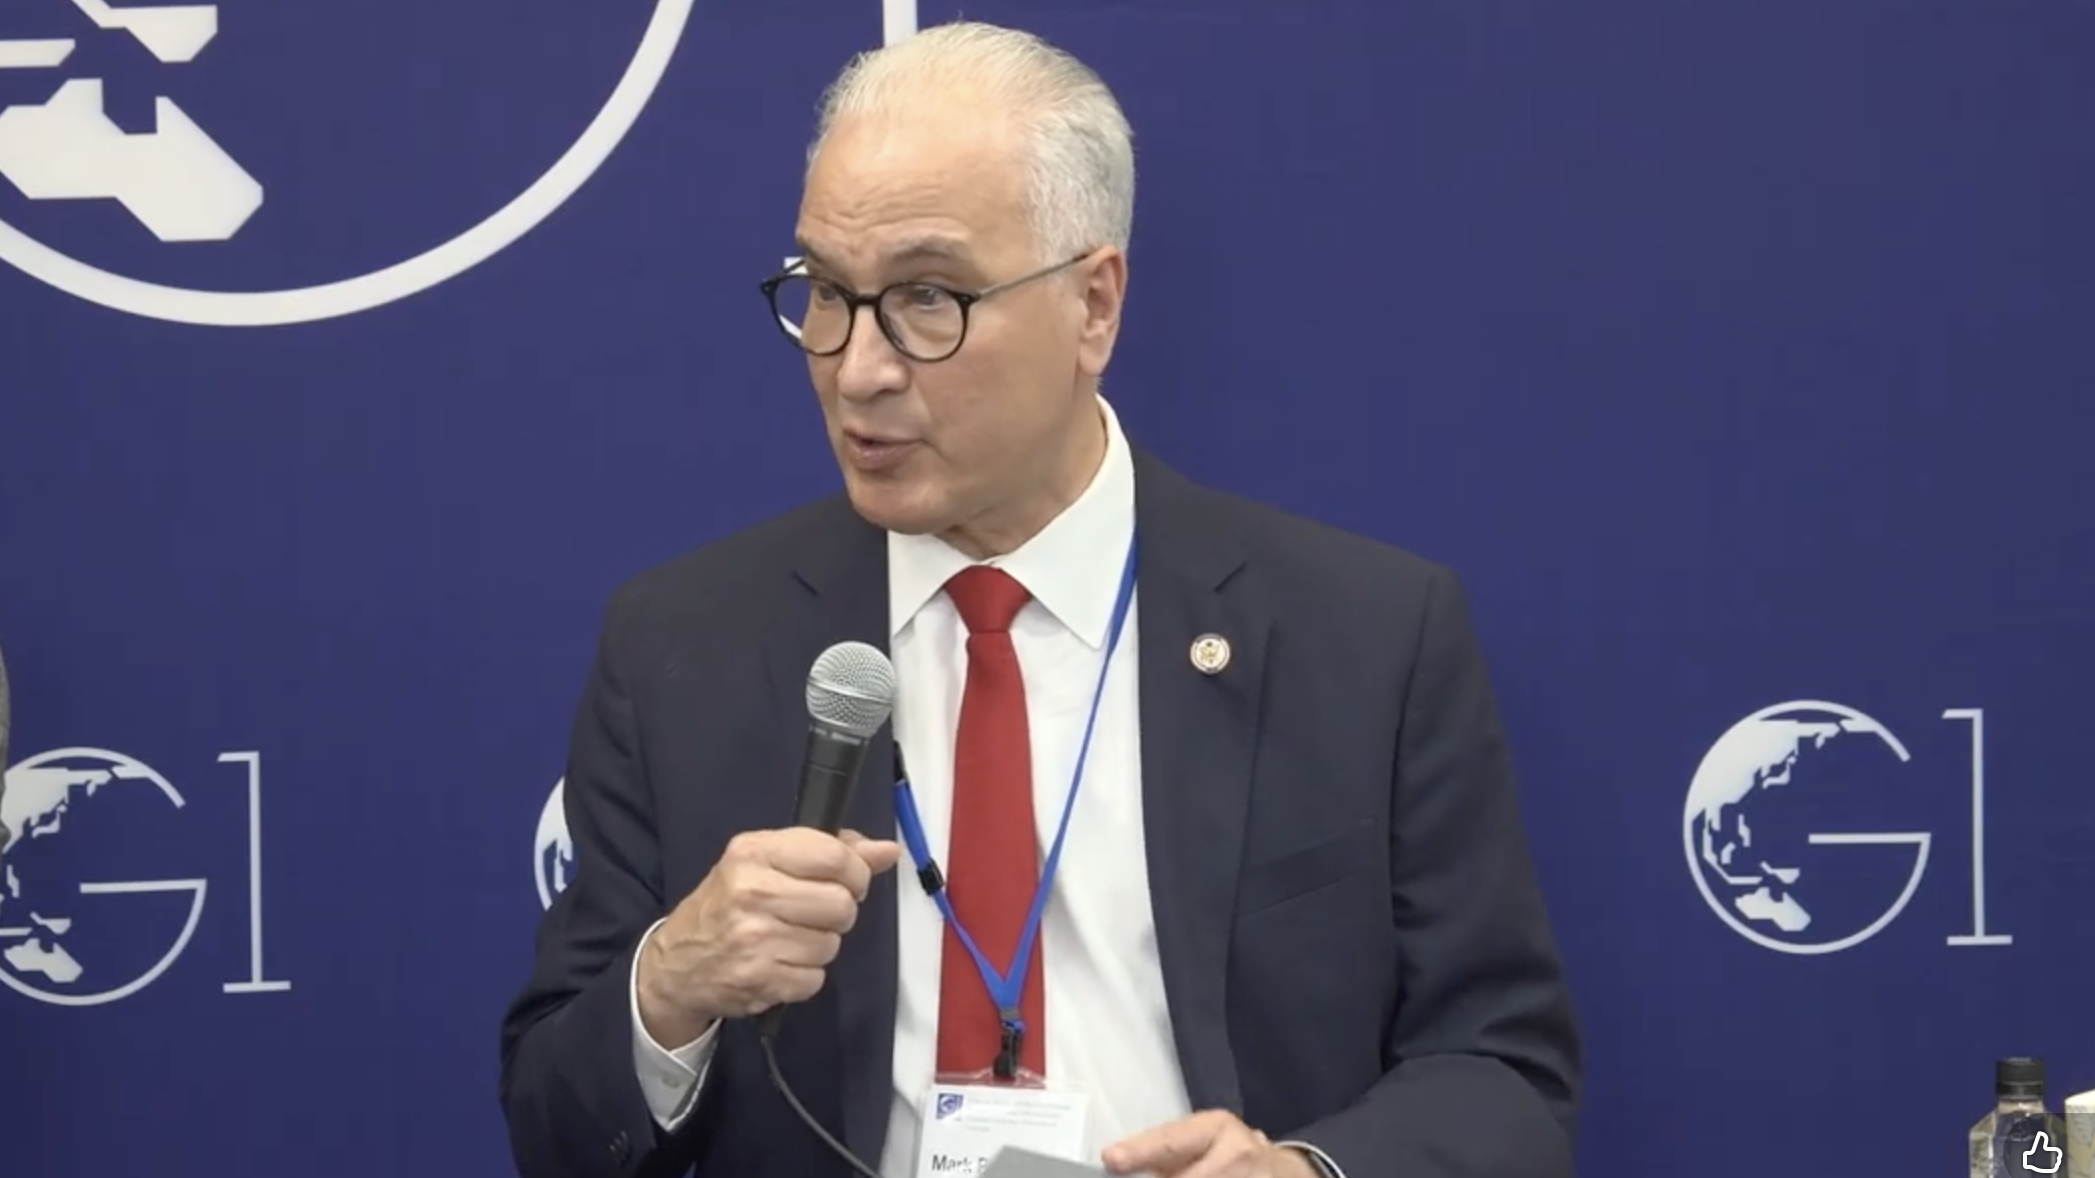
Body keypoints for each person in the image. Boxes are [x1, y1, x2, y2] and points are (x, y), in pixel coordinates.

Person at [497, 20, 1581, 1178]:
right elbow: (557, 1128)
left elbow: (1501, 1071)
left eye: (927, 296)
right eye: (824, 291)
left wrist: (1304, 1170)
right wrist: (672, 983)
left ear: (1093, 304)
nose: (857, 367)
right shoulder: (682, 645)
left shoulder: (1364, 637)